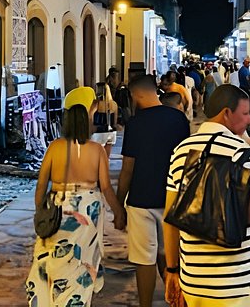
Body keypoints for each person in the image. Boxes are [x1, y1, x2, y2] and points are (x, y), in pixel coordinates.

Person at [164, 85, 250, 307]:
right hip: (236, 282)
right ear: (227, 113)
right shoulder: (240, 151)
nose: (249, 120)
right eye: (245, 113)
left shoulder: (181, 150)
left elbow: (170, 218)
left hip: (194, 282)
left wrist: (172, 270)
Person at [26, 104, 126, 306]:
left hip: (59, 205)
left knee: (51, 256)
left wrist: (41, 212)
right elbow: (106, 187)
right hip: (88, 209)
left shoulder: (55, 147)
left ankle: (50, 298)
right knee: (83, 258)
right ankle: (75, 300)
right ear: (87, 123)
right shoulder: (97, 150)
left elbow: (41, 185)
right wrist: (119, 212)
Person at [117, 75, 190, 307]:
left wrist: (119, 204)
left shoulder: (135, 124)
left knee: (143, 259)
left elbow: (128, 168)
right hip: (172, 197)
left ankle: (146, 305)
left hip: (141, 199)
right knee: (168, 256)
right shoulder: (179, 119)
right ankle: (176, 302)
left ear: (137, 94)